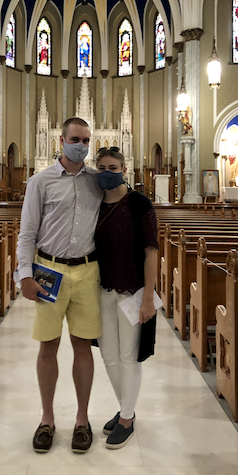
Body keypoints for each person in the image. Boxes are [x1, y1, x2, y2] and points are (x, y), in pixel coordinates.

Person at [16, 117, 103, 454]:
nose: (81, 145)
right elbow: (27, 233)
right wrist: (24, 275)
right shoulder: (41, 181)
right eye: (75, 139)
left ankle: (82, 419)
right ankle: (47, 419)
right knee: (48, 346)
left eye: (86, 140)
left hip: (86, 271)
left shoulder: (98, 182)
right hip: (48, 270)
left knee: (83, 346)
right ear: (61, 139)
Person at [94, 147, 159, 449]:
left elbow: (151, 250)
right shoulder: (94, 204)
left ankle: (127, 418)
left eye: (113, 167)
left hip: (132, 291)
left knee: (128, 356)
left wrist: (148, 295)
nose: (107, 172)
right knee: (108, 355)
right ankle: (126, 410)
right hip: (100, 290)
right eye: (102, 167)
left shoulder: (139, 203)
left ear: (123, 168)